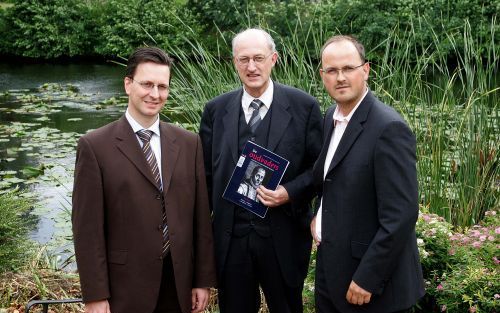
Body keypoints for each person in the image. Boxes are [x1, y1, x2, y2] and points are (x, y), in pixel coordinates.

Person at [72, 47, 216, 313]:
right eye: (147, 84)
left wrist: (202, 280)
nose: (155, 94)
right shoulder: (95, 146)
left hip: (179, 284)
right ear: (128, 84)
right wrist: (95, 294)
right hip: (124, 288)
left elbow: (200, 219)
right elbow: (87, 229)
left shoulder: (188, 143)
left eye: (162, 86)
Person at [199, 28, 323, 313]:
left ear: (274, 59)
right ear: (234, 62)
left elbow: (319, 170)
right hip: (231, 241)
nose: (251, 67)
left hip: (284, 237)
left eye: (258, 58)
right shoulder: (215, 110)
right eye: (243, 59)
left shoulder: (304, 107)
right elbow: (204, 177)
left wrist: (289, 193)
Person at [311, 35, 425, 313]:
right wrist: (317, 214)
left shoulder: (388, 128)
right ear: (322, 75)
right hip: (332, 270)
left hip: (370, 287)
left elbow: (401, 215)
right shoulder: (330, 117)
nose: (340, 78)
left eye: (348, 68)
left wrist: (368, 278)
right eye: (332, 70)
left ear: (366, 70)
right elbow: (329, 178)